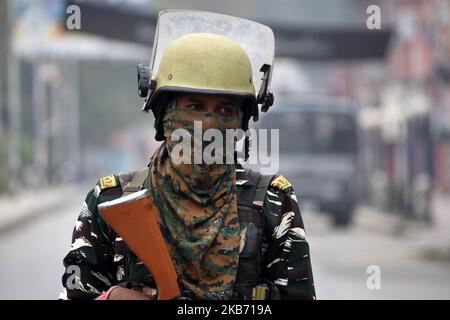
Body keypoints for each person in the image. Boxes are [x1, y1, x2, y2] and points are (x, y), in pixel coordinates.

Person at [59, 16, 315, 301]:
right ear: (164, 116)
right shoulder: (111, 202)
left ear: (241, 123)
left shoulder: (273, 202)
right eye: (194, 106)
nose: (208, 124)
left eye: (225, 109)